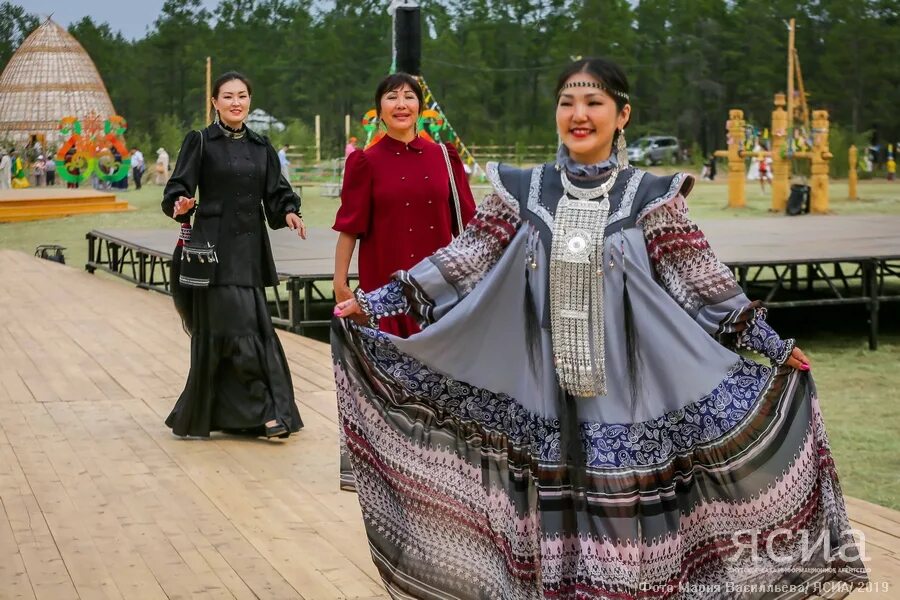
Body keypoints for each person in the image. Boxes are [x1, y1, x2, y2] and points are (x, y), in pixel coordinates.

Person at [331, 58, 867, 598]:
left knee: (618, 524)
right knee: (546, 517)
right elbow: (464, 260)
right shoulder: (523, 190)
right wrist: (373, 304)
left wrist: (770, 344)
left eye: (593, 103)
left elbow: (700, 280)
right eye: (567, 103)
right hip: (542, 396)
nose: (579, 115)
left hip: (627, 400)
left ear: (622, 114)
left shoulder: (649, 197)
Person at [162, 71, 306, 440]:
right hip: (213, 251)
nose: (236, 102)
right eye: (227, 96)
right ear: (214, 102)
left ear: (250, 101)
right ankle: (265, 413)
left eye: (242, 96)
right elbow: (178, 187)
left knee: (248, 328)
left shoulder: (261, 146)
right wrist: (180, 203)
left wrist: (288, 211)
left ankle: (249, 413)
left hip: (250, 253)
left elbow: (276, 192)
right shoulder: (200, 142)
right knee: (239, 327)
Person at [332, 72, 476, 339]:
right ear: (380, 111)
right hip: (382, 292)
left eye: (409, 97)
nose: (401, 104)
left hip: (439, 290)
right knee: (386, 376)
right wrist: (340, 282)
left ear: (419, 108)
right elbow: (350, 228)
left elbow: (469, 225)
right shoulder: (365, 162)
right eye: (392, 97)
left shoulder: (445, 157)